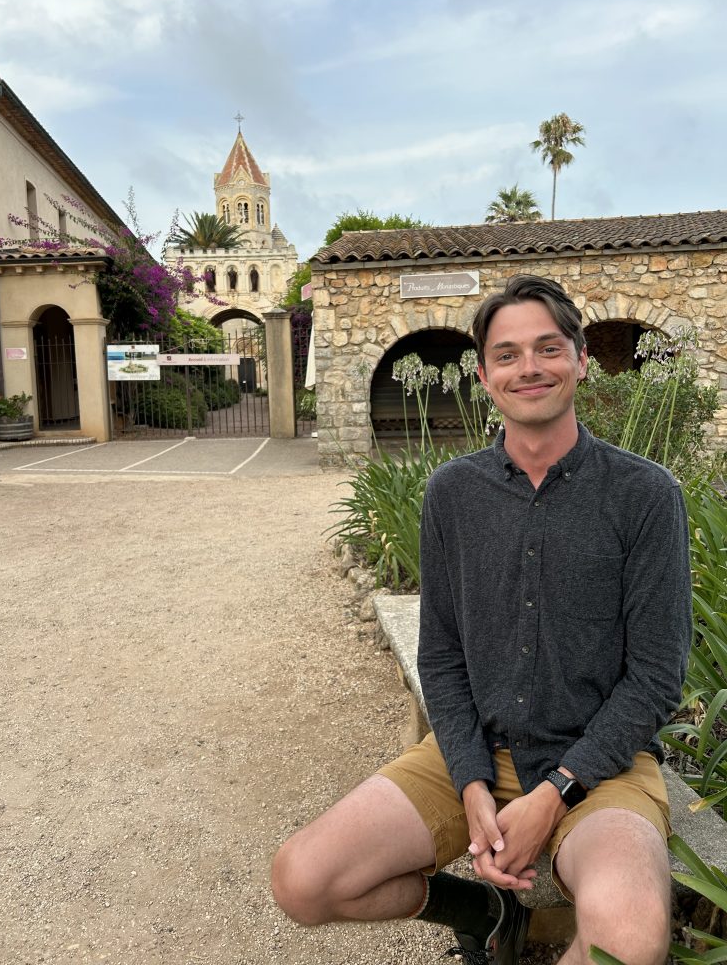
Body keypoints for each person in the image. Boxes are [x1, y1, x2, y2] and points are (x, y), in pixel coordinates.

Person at [272, 275, 692, 965]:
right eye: (507, 354)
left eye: (548, 348)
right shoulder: (452, 494)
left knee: (630, 936)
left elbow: (654, 678)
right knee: (304, 880)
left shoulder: (645, 495)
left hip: (602, 768)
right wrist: (470, 781)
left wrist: (556, 792)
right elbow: (440, 656)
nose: (529, 367)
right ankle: (484, 911)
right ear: (485, 375)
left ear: (581, 360)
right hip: (476, 752)